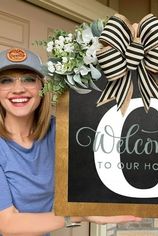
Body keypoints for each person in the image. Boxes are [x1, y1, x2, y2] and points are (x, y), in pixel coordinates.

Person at [0, 48, 141, 236]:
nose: (18, 89)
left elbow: (111, 141)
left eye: (28, 79)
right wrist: (77, 215)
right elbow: (8, 225)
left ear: (43, 87)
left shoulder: (60, 132)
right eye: (6, 80)